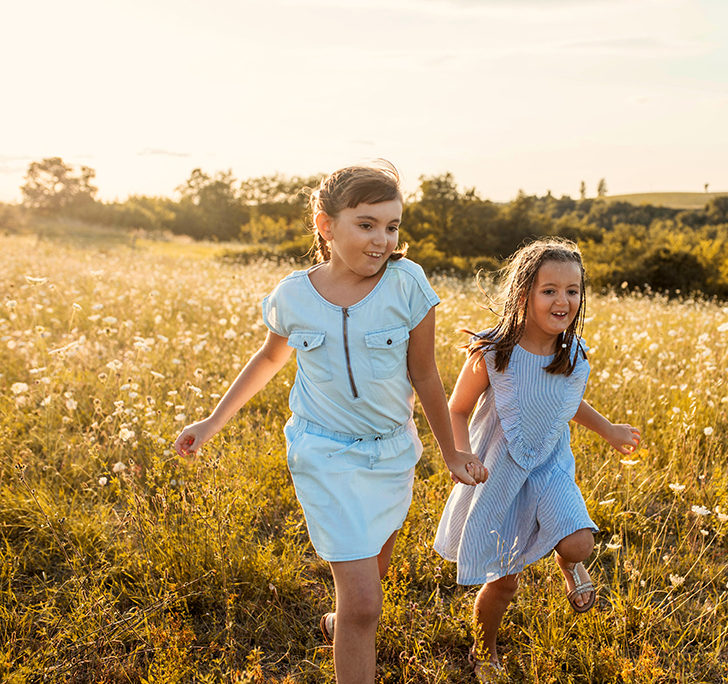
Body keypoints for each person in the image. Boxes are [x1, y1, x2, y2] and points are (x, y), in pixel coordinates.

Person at [172, 162, 487, 684]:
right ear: (326, 225)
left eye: (392, 226)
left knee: (374, 571)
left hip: (391, 452)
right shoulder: (294, 295)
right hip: (324, 454)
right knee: (366, 603)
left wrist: (453, 451)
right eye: (366, 224)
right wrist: (211, 421)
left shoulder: (408, 284)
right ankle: (352, 620)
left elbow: (425, 373)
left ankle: (340, 621)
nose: (382, 240)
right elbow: (270, 359)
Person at [433, 238, 640, 678]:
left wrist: (609, 430)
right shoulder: (493, 352)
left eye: (572, 290)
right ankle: (483, 652)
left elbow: (566, 401)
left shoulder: (572, 353)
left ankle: (570, 565)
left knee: (580, 542)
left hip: (549, 464)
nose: (563, 300)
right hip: (500, 473)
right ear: (524, 293)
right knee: (504, 580)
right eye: (550, 290)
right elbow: (456, 409)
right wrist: (460, 453)